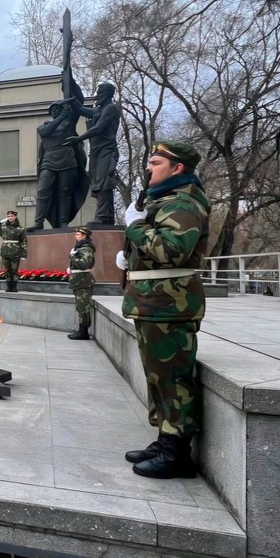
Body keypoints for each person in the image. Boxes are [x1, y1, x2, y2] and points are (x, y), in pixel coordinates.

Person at [115, 141, 210, 479]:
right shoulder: (164, 201)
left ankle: (177, 452)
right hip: (155, 302)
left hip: (170, 304)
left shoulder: (183, 202)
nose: (149, 168)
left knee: (172, 379)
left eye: (156, 162)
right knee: (159, 378)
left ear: (177, 167)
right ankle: (165, 438)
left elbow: (171, 251)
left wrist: (135, 226)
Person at [28, 94, 90, 231]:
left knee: (65, 192)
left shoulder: (69, 123)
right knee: (42, 191)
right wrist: (62, 116)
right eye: (53, 110)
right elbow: (45, 133)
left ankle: (63, 222)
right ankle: (38, 222)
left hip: (68, 160)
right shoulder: (44, 126)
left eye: (58, 108)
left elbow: (78, 99)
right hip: (49, 160)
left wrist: (70, 98)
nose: (55, 111)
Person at [74, 82, 122, 225]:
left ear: (107, 94)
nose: (97, 96)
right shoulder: (98, 111)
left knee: (103, 182)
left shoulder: (111, 108)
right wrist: (70, 91)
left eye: (100, 93)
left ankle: (102, 216)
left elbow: (99, 128)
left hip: (107, 150)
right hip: (96, 151)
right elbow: (80, 109)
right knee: (97, 183)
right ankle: (107, 216)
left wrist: (77, 139)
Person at [67, 226, 95, 340]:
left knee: (83, 307)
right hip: (79, 280)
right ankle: (81, 330)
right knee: (80, 307)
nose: (75, 236)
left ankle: (83, 332)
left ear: (84, 236)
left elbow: (84, 264)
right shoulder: (81, 247)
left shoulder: (86, 248)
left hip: (83, 280)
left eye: (78, 234)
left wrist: (73, 257)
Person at [0, 211, 27, 292]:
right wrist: (0, 222)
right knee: (7, 269)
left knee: (14, 270)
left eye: (12, 216)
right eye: (8, 216)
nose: (10, 218)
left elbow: (24, 242)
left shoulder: (21, 229)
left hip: (15, 251)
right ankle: (8, 286)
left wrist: (24, 254)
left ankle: (14, 286)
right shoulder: (4, 228)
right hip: (5, 251)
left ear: (15, 217)